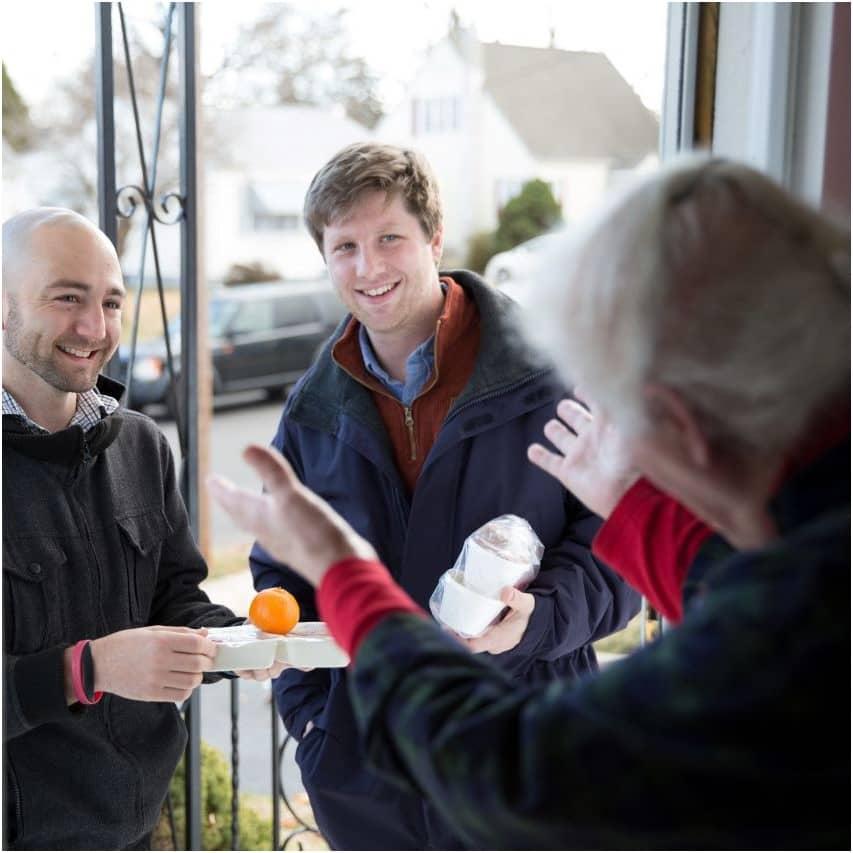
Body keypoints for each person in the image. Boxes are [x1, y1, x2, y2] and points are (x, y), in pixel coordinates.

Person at [211, 157, 850, 849]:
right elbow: (727, 582)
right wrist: (636, 510)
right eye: (346, 246)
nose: (368, 265)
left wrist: (345, 572)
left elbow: (514, 770)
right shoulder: (809, 547)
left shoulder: (792, 621)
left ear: (682, 425)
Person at [249, 141, 640, 849]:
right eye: (344, 247)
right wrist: (314, 725)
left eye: (388, 238)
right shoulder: (312, 411)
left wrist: (539, 618)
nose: (368, 268)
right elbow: (282, 571)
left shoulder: (552, 373)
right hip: (371, 789)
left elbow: (621, 543)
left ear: (434, 238)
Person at [2, 208, 284, 850]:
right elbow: (96, 666)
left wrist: (239, 643)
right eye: (66, 298)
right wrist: (89, 668)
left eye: (110, 302)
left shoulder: (140, 444)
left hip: (138, 824)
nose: (95, 328)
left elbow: (175, 599)